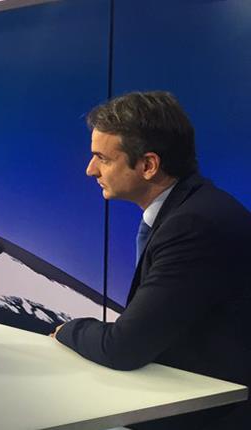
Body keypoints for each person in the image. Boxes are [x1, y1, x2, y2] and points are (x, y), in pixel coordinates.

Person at [52, 91, 251, 429]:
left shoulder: (194, 225)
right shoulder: (191, 209)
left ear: (148, 165)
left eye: (102, 158)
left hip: (215, 415)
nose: (90, 170)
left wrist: (66, 330)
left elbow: (124, 347)